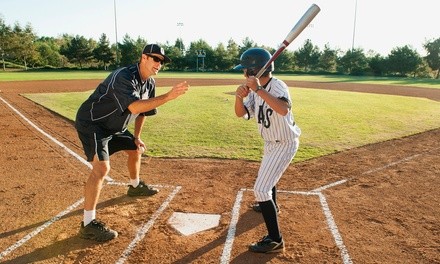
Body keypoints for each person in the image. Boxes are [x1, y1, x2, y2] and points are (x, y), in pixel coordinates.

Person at [75, 43, 189, 242]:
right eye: (156, 59)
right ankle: (87, 224)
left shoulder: (150, 83)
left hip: (116, 126)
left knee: (135, 149)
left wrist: (136, 137)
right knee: (101, 169)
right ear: (143, 57)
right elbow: (135, 106)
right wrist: (169, 96)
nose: (159, 64)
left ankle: (135, 186)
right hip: (94, 124)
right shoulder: (123, 76)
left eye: (162, 61)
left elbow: (143, 112)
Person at [234, 47, 301, 253]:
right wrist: (239, 97)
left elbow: (283, 109)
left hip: (285, 143)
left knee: (261, 190)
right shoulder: (254, 91)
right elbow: (241, 114)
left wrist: (257, 89)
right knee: (267, 182)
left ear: (254, 71)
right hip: (271, 143)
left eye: (245, 70)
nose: (243, 73)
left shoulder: (277, 85)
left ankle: (275, 239)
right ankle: (273, 205)